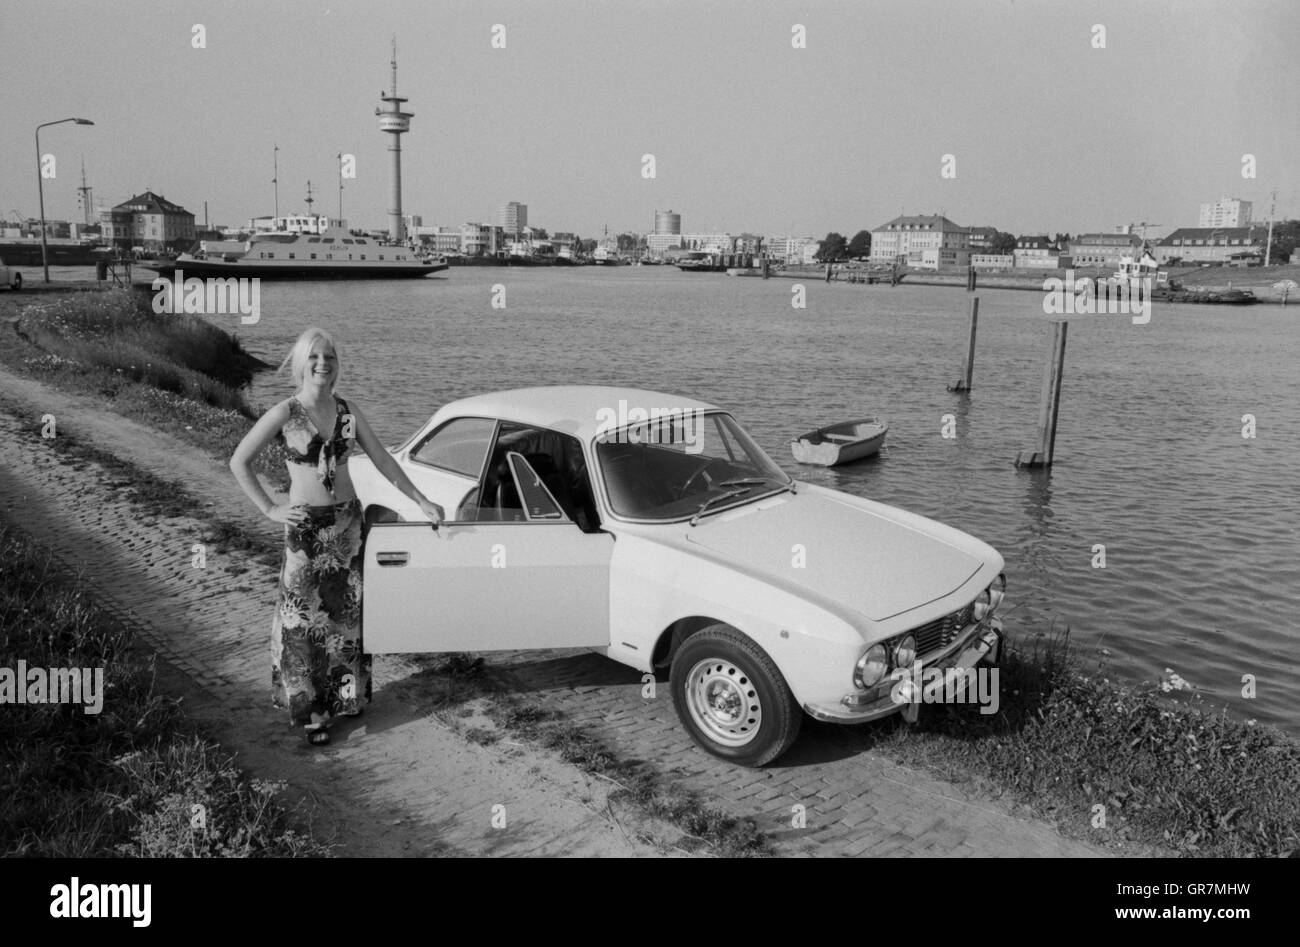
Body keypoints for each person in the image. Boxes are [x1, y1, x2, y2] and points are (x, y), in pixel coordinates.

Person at [230, 327, 443, 745]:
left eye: (329, 357)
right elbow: (240, 461)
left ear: (337, 365)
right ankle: (312, 710)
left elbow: (382, 458)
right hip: (306, 528)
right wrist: (271, 508)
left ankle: (344, 698)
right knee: (303, 618)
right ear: (300, 363)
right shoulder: (285, 413)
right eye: (314, 357)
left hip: (347, 525)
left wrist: (421, 500)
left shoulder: (347, 412)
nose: (322, 364)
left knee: (344, 619)